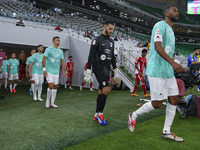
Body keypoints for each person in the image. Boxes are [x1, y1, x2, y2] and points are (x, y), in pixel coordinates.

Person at [127, 5, 185, 142]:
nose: (177, 13)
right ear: (166, 13)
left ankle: (166, 131)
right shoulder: (160, 25)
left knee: (174, 99)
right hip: (157, 71)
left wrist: (174, 63)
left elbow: (168, 51)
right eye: (174, 10)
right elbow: (157, 46)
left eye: (177, 11)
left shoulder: (171, 30)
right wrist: (172, 63)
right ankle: (133, 115)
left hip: (168, 72)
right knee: (157, 103)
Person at [84, 20, 118, 126]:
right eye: (109, 28)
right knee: (107, 90)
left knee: (101, 92)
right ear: (104, 27)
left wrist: (115, 71)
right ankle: (100, 114)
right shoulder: (97, 40)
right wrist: (88, 71)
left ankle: (96, 114)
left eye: (112, 29)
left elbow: (112, 57)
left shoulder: (112, 42)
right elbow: (91, 56)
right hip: (98, 69)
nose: (111, 31)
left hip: (106, 69)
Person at [42, 36, 67, 108]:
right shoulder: (49, 49)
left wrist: (65, 71)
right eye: (57, 40)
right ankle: (47, 101)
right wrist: (44, 70)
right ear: (53, 41)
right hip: (49, 71)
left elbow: (62, 62)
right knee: (51, 86)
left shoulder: (60, 51)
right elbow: (43, 60)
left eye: (59, 40)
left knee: (55, 87)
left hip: (56, 72)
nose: (59, 41)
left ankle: (52, 103)